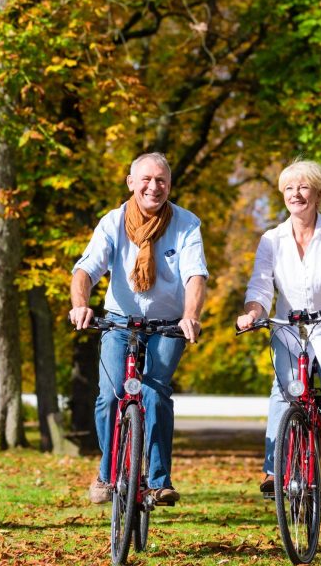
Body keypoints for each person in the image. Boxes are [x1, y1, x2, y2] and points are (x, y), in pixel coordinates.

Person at [70, 152, 208, 505]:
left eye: (161, 180)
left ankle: (160, 480)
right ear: (131, 183)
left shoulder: (187, 223)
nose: (154, 186)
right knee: (111, 394)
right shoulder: (113, 222)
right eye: (146, 179)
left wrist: (190, 314)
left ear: (169, 185)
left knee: (155, 391)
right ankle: (108, 472)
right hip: (118, 321)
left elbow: (195, 275)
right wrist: (80, 305)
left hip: (167, 323)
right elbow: (86, 270)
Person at [236, 159, 321, 511]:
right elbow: (261, 285)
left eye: (304, 187)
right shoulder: (272, 240)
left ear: (318, 194)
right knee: (283, 397)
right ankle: (272, 470)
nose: (296, 194)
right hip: (289, 331)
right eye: (289, 188)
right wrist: (253, 312)